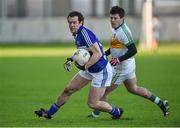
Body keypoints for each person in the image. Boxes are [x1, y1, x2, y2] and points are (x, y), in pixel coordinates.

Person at [34, 11, 124, 119]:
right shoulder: (77, 34)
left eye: (74, 22)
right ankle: (49, 113)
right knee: (68, 89)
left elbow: (98, 54)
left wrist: (85, 66)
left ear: (81, 22)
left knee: (92, 103)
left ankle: (116, 112)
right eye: (70, 23)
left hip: (101, 71)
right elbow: (83, 51)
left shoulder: (85, 34)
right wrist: (71, 60)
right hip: (91, 68)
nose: (72, 25)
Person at [88, 6, 169, 118]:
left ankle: (96, 114)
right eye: (111, 18)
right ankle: (160, 103)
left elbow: (133, 50)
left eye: (115, 18)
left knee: (103, 90)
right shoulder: (116, 30)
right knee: (133, 88)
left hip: (121, 68)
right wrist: (101, 55)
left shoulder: (123, 32)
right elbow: (114, 48)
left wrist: (118, 59)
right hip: (128, 66)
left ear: (122, 18)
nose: (112, 20)